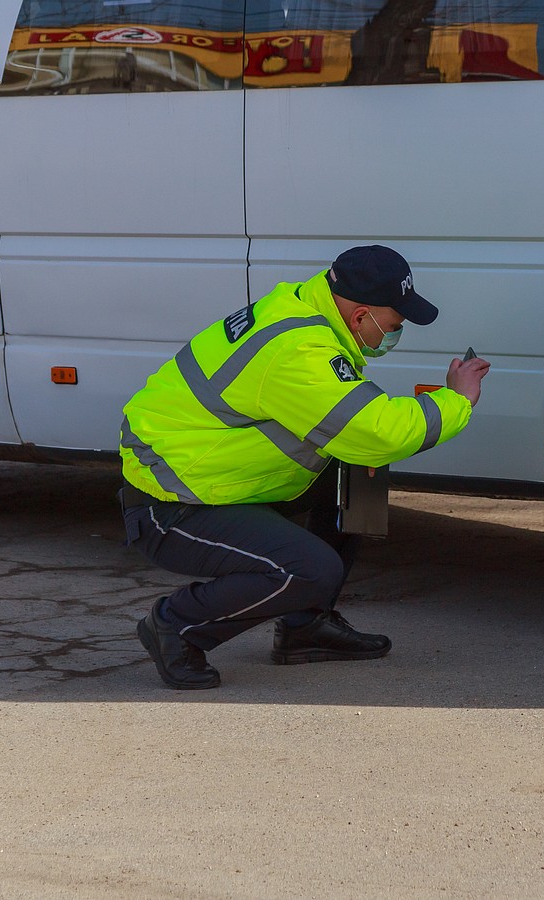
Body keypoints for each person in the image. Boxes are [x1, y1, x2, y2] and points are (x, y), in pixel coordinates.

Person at [119, 245, 490, 689]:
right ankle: (176, 625)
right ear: (360, 317)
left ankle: (304, 626)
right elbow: (378, 431)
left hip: (216, 476)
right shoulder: (298, 349)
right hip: (170, 504)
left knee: (359, 472)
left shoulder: (304, 310)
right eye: (395, 324)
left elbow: (358, 434)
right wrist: (457, 398)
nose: (397, 332)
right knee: (313, 567)